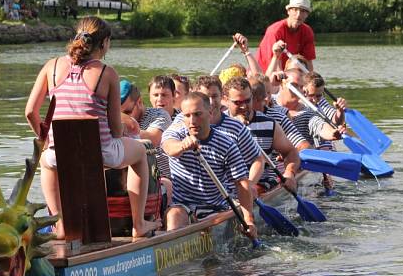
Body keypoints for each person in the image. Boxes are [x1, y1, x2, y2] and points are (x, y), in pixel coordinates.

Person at [25, 16, 160, 239]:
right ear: (105, 43)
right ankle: (139, 224)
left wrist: (46, 140)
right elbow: (116, 131)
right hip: (100, 154)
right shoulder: (107, 73)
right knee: (140, 154)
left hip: (61, 154)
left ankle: (61, 226)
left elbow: (30, 112)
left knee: (46, 161)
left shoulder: (52, 67)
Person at [161, 92, 257, 239]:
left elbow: (241, 184)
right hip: (182, 204)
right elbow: (169, 148)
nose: (192, 121)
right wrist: (181, 146)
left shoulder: (226, 144)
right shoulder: (175, 133)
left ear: (210, 113)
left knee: (214, 227)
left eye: (197, 114)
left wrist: (249, 220)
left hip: (215, 208)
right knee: (174, 216)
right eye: (187, 116)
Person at [223, 76, 300, 194]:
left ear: (252, 98)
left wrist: (290, 172)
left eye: (247, 101)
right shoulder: (217, 125)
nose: (244, 106)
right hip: (226, 187)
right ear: (225, 100)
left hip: (261, 184)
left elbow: (291, 152)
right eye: (238, 102)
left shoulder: (269, 124)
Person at [119, 79, 173, 205]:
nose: (124, 118)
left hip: (160, 176)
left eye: (127, 112)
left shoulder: (160, 114)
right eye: (119, 113)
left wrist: (118, 118)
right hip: (125, 176)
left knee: (167, 185)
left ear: (139, 102)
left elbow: (151, 140)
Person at [254, 0, 316, 75]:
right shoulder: (275, 31)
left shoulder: (307, 31)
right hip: (263, 74)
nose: (298, 15)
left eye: (303, 11)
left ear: (307, 14)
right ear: (288, 11)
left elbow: (308, 62)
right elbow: (276, 64)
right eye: (295, 10)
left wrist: (311, 82)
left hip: (287, 73)